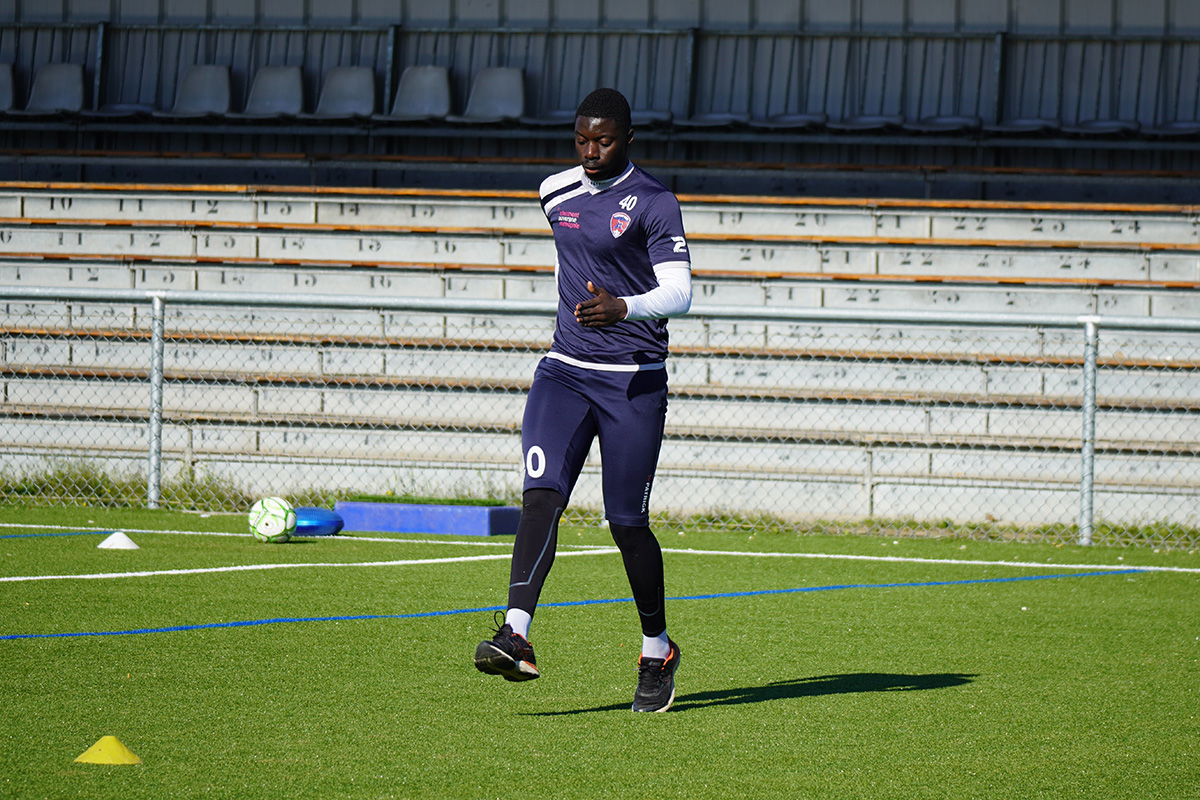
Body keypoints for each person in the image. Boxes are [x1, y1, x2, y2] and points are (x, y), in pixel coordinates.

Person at [473, 87, 692, 713]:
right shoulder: (554, 192)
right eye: (581, 140)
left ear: (628, 139)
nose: (590, 151)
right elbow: (572, 257)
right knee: (540, 497)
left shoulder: (654, 202)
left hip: (633, 380)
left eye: (603, 140)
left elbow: (680, 292)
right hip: (564, 372)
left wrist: (625, 307)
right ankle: (516, 632)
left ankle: (657, 649)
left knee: (626, 524)